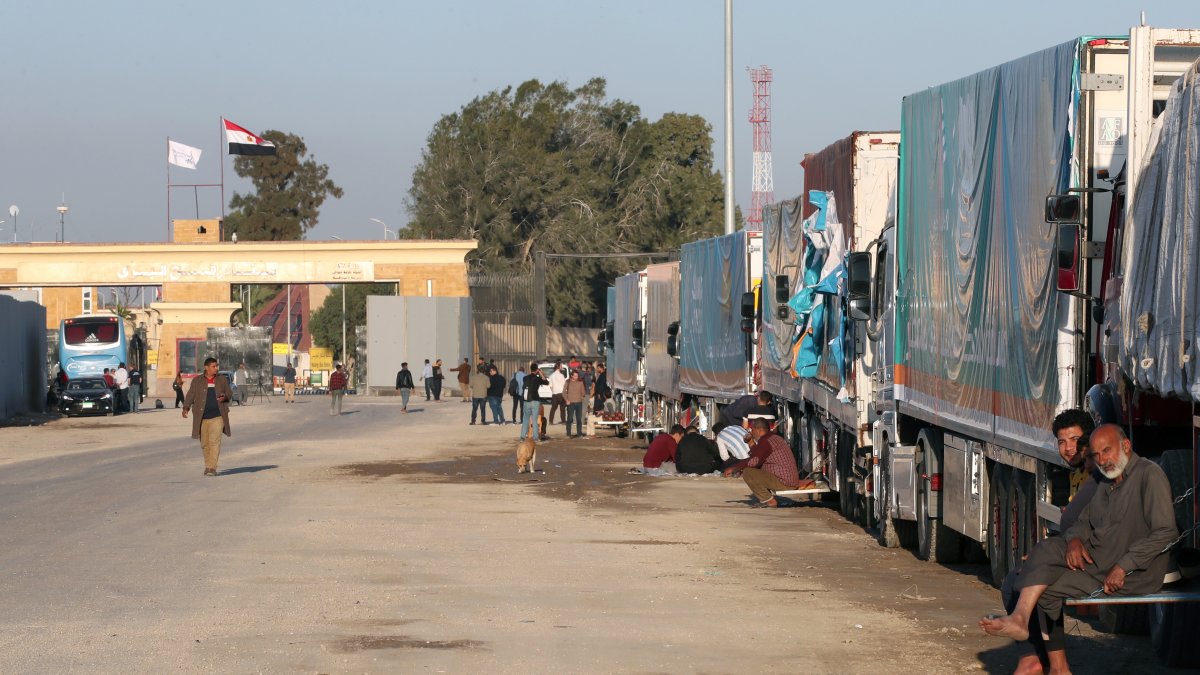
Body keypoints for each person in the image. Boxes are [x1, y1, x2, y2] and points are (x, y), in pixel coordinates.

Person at [980, 424, 1177, 670]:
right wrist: (1073, 541)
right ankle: (1058, 666)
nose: (1103, 460)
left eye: (1108, 451)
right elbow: (1083, 522)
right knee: (1045, 573)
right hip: (1098, 565)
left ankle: (1023, 623)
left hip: (1130, 574)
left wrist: (1124, 567)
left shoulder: (1149, 474)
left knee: (1041, 558)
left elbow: (1165, 532)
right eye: (1097, 455)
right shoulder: (1107, 481)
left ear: (1126, 446)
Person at [1001, 409, 1098, 675]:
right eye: (1062, 442)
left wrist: (1043, 557)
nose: (1069, 449)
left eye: (1076, 440)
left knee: (1021, 582)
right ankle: (1039, 660)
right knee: (1018, 579)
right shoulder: (1079, 474)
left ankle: (1048, 664)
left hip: (1094, 561)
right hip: (1076, 554)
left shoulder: (1096, 476)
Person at [724, 417, 800, 508]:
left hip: (784, 481)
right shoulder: (772, 438)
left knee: (748, 473)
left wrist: (735, 467)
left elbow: (754, 461)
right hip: (788, 479)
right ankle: (769, 499)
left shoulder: (766, 441)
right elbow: (758, 455)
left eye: (752, 429)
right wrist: (750, 442)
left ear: (759, 430)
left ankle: (770, 501)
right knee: (751, 469)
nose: (751, 432)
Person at [182, 357, 233, 476]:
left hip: (218, 416)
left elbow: (229, 393)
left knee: (214, 442)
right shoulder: (197, 381)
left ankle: (212, 467)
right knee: (205, 443)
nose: (216, 368)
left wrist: (225, 397)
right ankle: (208, 465)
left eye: (216, 366)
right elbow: (190, 395)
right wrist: (186, 407)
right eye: (213, 366)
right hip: (202, 417)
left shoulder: (222, 380)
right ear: (206, 367)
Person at [520, 362, 548, 442]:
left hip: (526, 401)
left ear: (530, 369)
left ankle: (522, 437)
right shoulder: (538, 378)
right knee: (534, 420)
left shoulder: (525, 378)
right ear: (537, 370)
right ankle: (535, 438)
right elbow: (546, 382)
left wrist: (535, 371)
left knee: (525, 419)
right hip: (535, 401)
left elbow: (528, 378)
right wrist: (541, 373)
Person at [563, 370, 587, 438]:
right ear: (572, 375)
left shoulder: (580, 382)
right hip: (570, 403)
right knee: (570, 419)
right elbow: (563, 392)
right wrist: (566, 400)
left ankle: (579, 433)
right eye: (575, 376)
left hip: (579, 403)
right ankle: (568, 433)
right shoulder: (568, 382)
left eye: (577, 375)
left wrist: (581, 398)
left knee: (579, 419)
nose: (576, 377)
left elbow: (583, 393)